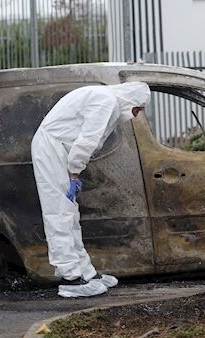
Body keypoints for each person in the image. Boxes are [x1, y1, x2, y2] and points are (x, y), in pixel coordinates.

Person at [31, 82, 151, 298]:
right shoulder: (105, 101)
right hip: (51, 148)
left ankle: (85, 272)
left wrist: (73, 170)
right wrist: (75, 172)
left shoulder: (108, 102)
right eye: (138, 109)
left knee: (70, 213)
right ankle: (71, 278)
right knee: (59, 212)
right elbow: (88, 140)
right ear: (132, 100)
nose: (136, 115)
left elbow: (89, 140)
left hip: (57, 149)